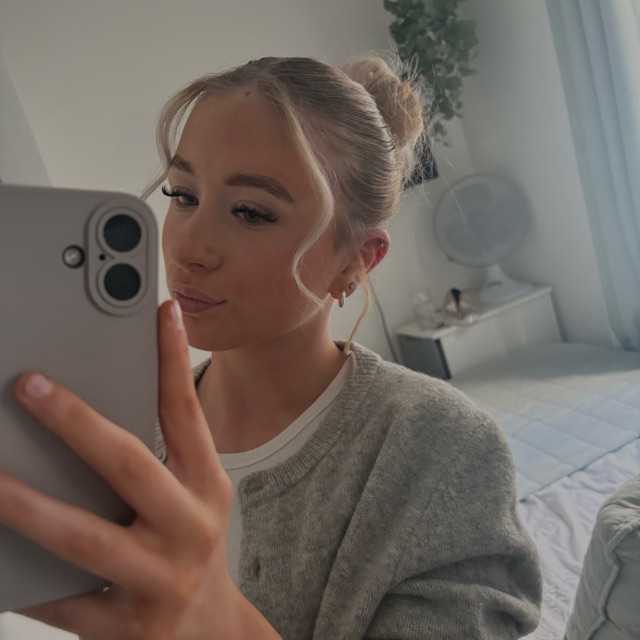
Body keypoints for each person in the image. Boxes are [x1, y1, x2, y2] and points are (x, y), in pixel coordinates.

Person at [8, 52, 542, 638]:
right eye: (183, 195)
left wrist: (215, 619)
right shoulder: (128, 430)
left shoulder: (442, 447)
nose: (189, 248)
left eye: (251, 212)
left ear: (357, 260)